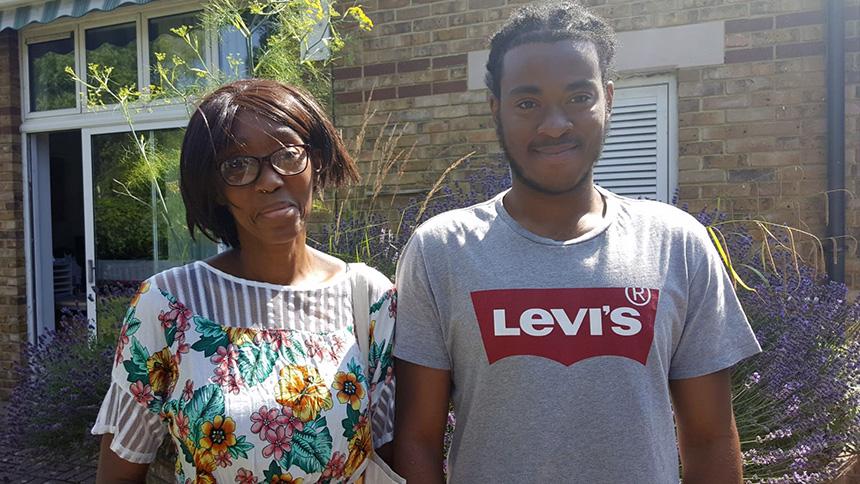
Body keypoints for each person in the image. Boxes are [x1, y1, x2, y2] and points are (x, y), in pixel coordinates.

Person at [392, 2, 762, 483]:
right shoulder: (440, 250)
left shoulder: (676, 243)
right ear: (495, 109)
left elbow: (710, 438)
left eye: (578, 97)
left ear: (607, 98)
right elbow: (416, 441)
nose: (554, 125)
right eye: (527, 103)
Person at [92, 79, 396, 483]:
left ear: (317, 161)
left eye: (287, 154)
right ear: (216, 189)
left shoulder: (369, 299)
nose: (269, 180)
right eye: (237, 165)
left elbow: (398, 456)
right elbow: (119, 471)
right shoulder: (168, 306)